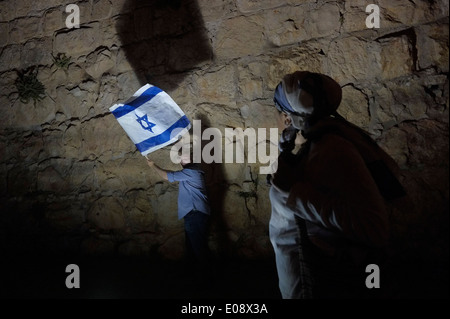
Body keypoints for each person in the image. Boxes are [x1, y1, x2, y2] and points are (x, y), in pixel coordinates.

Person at [268, 71, 406, 299]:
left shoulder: (332, 149)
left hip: (320, 280)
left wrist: (294, 191)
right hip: (305, 277)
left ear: (287, 117)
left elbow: (374, 228)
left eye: (277, 111)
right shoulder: (316, 144)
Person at [146, 149, 212, 286]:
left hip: (195, 214)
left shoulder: (191, 172)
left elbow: (166, 176)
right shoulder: (192, 171)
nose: (183, 161)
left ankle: (207, 279)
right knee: (193, 247)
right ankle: (196, 277)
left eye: (184, 158)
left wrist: (153, 166)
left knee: (198, 248)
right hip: (194, 214)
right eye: (182, 158)